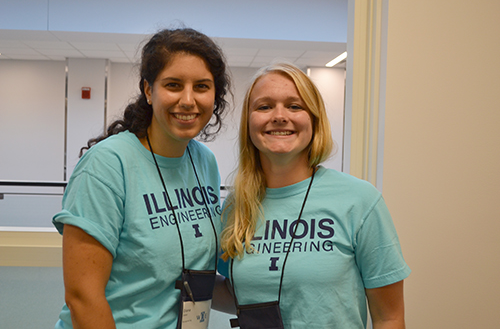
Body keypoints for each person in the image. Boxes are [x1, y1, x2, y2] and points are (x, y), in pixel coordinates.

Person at [52, 27, 231, 328]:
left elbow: (191, 276)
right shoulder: (107, 165)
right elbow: (83, 297)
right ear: (149, 90)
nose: (188, 100)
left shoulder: (204, 161)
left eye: (201, 86)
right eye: (173, 85)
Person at [217, 62, 411, 328]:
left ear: (314, 119)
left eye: (295, 106)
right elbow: (239, 292)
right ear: (248, 123)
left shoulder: (359, 200)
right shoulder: (236, 205)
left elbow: (389, 317)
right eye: (264, 106)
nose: (279, 116)